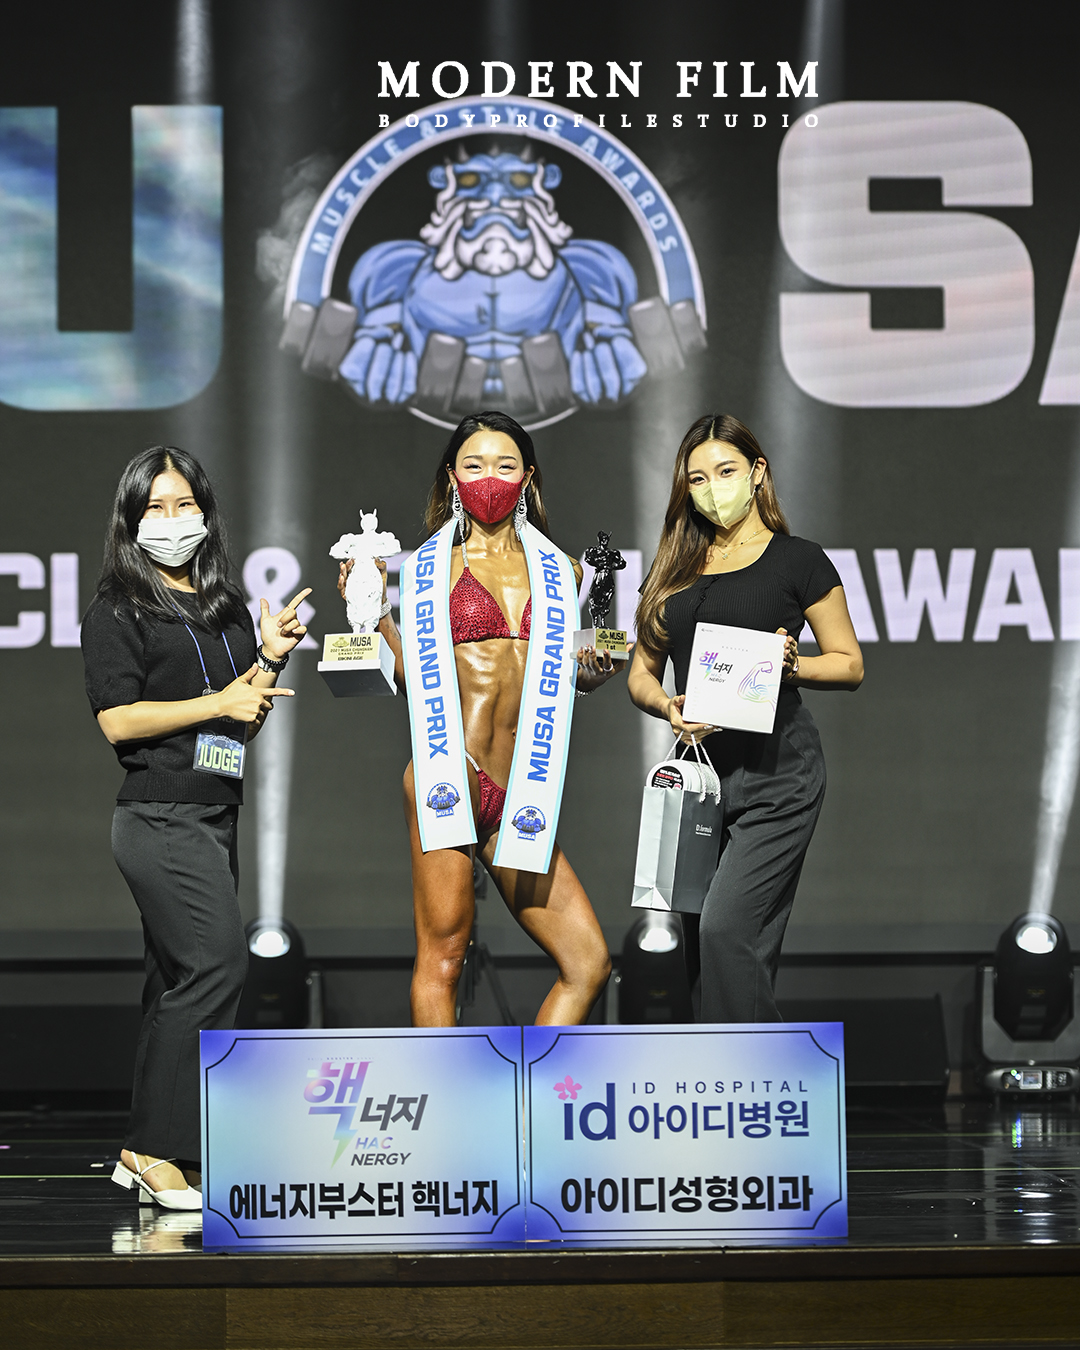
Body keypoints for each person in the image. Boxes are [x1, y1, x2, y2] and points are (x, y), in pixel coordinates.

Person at [81, 446, 310, 1210]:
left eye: (185, 505)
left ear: (206, 513)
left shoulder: (224, 609)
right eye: (156, 507)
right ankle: (155, 1148)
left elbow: (239, 723)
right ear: (131, 519)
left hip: (214, 810)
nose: (173, 520)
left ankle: (144, 1145)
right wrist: (219, 702)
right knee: (217, 966)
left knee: (173, 982)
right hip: (159, 814)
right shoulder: (117, 609)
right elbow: (118, 721)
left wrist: (268, 660)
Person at [339, 412, 618, 1027]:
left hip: (522, 786)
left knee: (588, 962)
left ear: (527, 477)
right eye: (474, 464)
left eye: (505, 465)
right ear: (453, 476)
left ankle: (535, 1084)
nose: (489, 476)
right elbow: (413, 679)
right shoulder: (431, 568)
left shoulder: (563, 572)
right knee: (443, 959)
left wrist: (595, 670)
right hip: (451, 769)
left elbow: (571, 676)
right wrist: (376, 613)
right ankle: (446, 1090)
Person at [627, 414, 864, 1023]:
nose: (713, 489)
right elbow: (640, 674)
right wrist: (667, 706)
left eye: (726, 471)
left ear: (757, 472)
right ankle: (727, 1074)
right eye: (698, 478)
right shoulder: (674, 570)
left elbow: (849, 664)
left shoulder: (798, 560)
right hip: (700, 780)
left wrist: (793, 665)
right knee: (702, 954)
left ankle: (754, 1067)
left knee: (727, 931)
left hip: (778, 773)